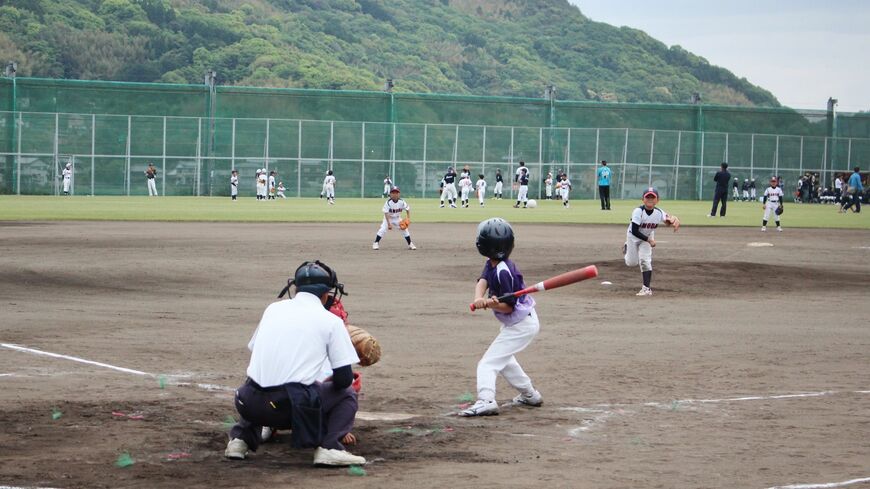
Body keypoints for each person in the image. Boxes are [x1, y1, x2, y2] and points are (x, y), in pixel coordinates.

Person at [224, 260, 366, 466]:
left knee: (260, 381)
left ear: (296, 288)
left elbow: (256, 350)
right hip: (289, 410)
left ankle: (239, 441)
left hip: (248, 403)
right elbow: (344, 380)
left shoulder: (272, 310)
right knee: (347, 394)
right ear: (325, 294)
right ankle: (330, 447)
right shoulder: (331, 321)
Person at [462, 218, 543, 417]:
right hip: (518, 323)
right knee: (505, 361)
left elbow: (508, 307)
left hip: (521, 324)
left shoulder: (504, 272)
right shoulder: (493, 263)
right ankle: (530, 395)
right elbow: (483, 280)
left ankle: (486, 400)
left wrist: (492, 304)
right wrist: (479, 298)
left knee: (488, 363)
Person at [624, 187, 680, 296]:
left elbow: (668, 220)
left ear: (657, 200)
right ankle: (627, 247)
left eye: (652, 197)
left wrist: (674, 220)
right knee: (631, 263)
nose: (650, 199)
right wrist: (649, 240)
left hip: (647, 236)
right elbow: (635, 231)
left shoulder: (659, 212)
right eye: (647, 197)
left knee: (645, 260)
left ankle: (646, 289)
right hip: (633, 237)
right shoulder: (638, 211)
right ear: (643, 199)